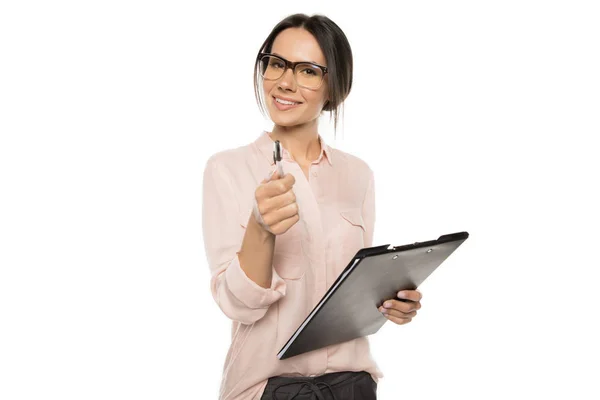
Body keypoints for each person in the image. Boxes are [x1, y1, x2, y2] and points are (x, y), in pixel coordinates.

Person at [202, 13, 423, 400]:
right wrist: (261, 227)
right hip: (269, 389)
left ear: (334, 87)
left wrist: (389, 304)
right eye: (276, 63)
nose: (285, 82)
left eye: (307, 70)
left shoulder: (358, 174)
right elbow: (238, 306)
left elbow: (348, 291)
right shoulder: (227, 169)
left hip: (353, 384)